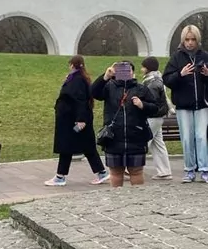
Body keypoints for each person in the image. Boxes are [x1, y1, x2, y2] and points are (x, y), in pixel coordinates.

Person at [163, 24, 208, 183]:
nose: (190, 43)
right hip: (183, 105)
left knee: (202, 137)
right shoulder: (176, 58)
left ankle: (205, 169)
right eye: (187, 39)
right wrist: (180, 75)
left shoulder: (205, 56)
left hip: (202, 104)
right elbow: (167, 80)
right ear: (183, 40)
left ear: (197, 40)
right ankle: (189, 169)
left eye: (193, 39)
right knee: (187, 138)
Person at [90, 61, 158, 187]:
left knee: (136, 171)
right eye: (121, 70)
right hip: (114, 137)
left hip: (136, 136)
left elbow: (155, 108)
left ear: (133, 73)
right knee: (116, 172)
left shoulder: (141, 88)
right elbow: (94, 93)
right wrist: (105, 77)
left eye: (128, 70)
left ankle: (138, 200)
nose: (125, 73)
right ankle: (117, 199)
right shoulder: (109, 87)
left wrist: (143, 105)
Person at [45, 55, 108, 187]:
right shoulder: (78, 78)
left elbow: (80, 100)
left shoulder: (77, 80)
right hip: (72, 119)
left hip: (72, 120)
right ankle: (100, 172)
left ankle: (60, 177)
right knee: (83, 147)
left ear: (72, 65)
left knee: (68, 147)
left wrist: (80, 119)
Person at [141, 57, 172, 179]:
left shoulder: (151, 83)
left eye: (143, 66)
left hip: (153, 116)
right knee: (158, 144)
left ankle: (133, 166)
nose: (141, 69)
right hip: (159, 116)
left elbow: (151, 101)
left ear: (148, 68)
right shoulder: (158, 80)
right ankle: (165, 170)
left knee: (144, 141)